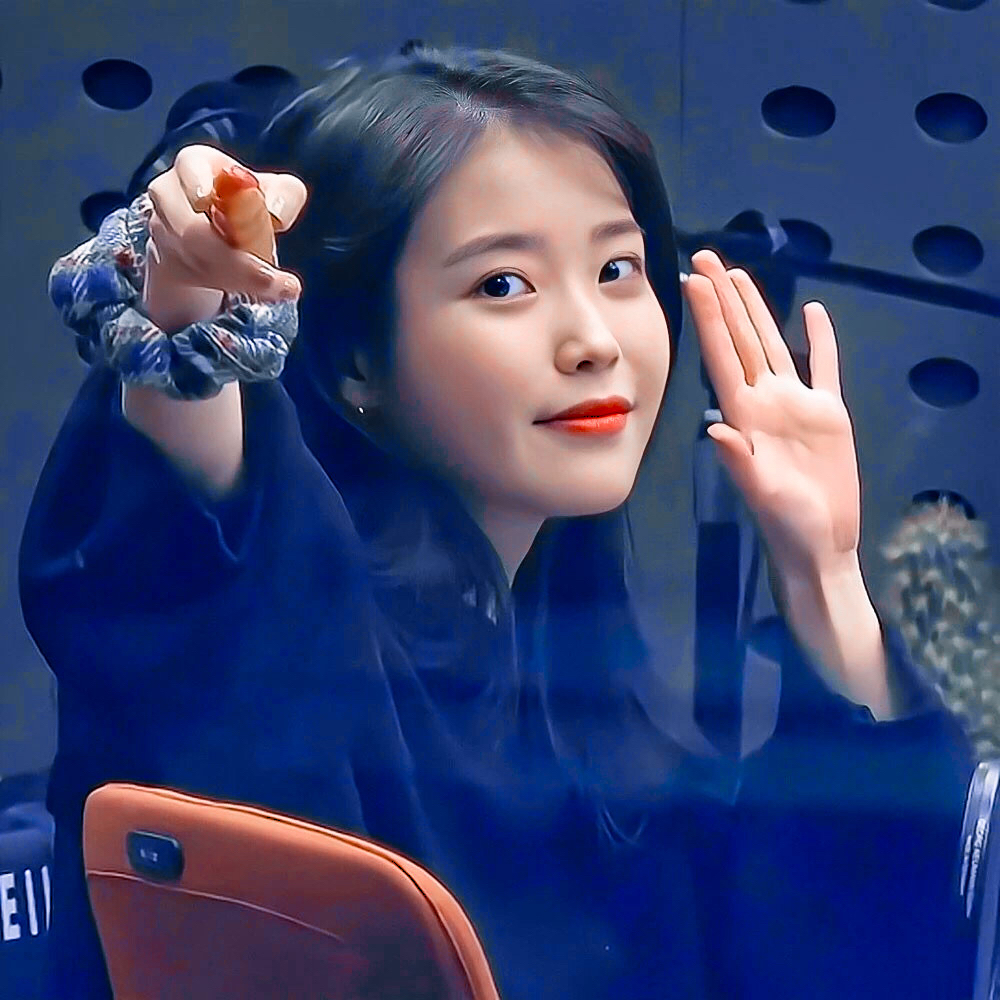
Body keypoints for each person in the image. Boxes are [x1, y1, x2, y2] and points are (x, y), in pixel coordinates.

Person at [21, 42, 975, 1000]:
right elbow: (192, 538)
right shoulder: (288, 622)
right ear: (355, 360)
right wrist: (189, 295)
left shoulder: (584, 706)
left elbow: (826, 950)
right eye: (503, 284)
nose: (594, 341)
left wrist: (823, 574)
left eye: (618, 267)